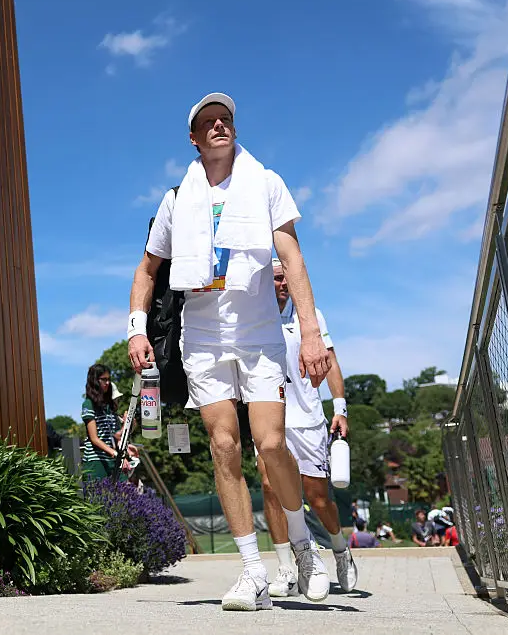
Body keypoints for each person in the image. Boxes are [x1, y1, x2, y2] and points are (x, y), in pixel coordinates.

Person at [127, 92, 333, 611]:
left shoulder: (266, 183)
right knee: (223, 445)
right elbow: (148, 270)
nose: (219, 126)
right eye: (208, 122)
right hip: (202, 335)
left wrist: (309, 330)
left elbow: (291, 254)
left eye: (226, 120)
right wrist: (136, 330)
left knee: (269, 444)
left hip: (259, 329)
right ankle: (251, 572)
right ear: (194, 138)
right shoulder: (177, 199)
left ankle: (302, 545)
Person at [258, 258, 358, 597]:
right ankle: (286, 566)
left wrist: (340, 408)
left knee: (317, 499)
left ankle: (340, 549)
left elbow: (329, 362)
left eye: (286, 278)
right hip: (272, 420)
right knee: (270, 488)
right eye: (275, 279)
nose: (282, 284)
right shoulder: (256, 317)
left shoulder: (310, 316)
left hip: (308, 422)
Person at [80, 363, 136, 481]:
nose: (107, 383)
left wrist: (129, 424)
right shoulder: (88, 404)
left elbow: (116, 435)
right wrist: (116, 454)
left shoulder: (108, 407)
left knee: (124, 494)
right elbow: (94, 438)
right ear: (95, 381)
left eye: (109, 379)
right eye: (104, 379)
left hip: (113, 458)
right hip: (96, 460)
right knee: (98, 497)